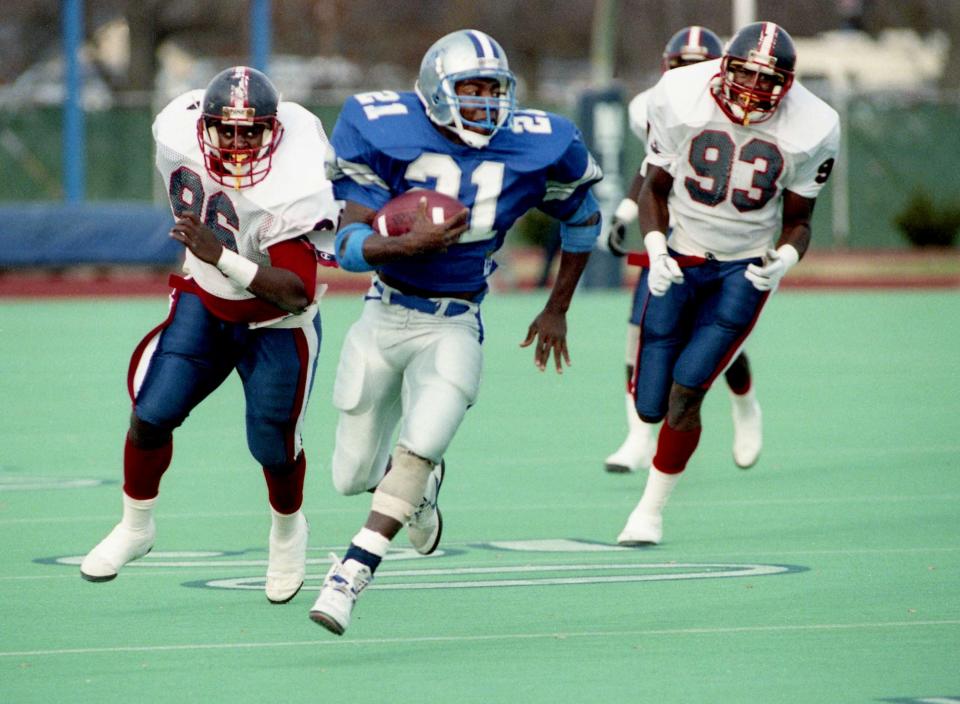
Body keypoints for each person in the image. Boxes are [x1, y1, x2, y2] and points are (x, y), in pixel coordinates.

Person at [308, 29, 603, 635]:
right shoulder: (378, 125)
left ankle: (351, 574)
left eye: (494, 91)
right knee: (352, 475)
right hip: (383, 311)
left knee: (421, 442)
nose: (484, 104)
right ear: (435, 92)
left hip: (456, 321)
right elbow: (346, 243)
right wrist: (401, 243)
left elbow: (584, 221)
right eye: (470, 89)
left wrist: (558, 308)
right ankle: (424, 485)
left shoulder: (541, 144)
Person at [80, 66, 340, 605]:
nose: (240, 142)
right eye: (228, 130)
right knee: (151, 413)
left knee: (273, 447)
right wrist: (211, 265)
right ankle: (136, 525)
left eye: (253, 132)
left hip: (276, 324)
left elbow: (295, 292)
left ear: (274, 130)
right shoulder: (176, 127)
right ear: (205, 126)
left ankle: (289, 532)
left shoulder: (297, 176)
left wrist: (218, 253)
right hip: (203, 301)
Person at [616, 22, 839, 545]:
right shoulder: (676, 95)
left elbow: (800, 218)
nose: (754, 91)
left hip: (745, 264)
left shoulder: (814, 124)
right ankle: (732, 406)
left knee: (686, 391)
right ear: (722, 69)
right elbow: (655, 186)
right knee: (649, 403)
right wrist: (653, 245)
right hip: (680, 250)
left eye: (769, 82)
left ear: (788, 86)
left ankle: (649, 512)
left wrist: (785, 257)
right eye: (745, 75)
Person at [601, 26, 763, 474]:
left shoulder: (738, 109)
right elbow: (652, 166)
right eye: (681, 67)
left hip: (723, 238)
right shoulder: (653, 105)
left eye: (698, 67)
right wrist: (626, 214)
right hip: (669, 239)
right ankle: (638, 435)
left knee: (715, 338)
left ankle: (745, 403)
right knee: (641, 332)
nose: (689, 76)